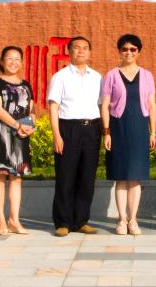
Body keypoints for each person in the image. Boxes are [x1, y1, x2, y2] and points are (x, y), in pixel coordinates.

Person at [100, 34, 156, 236]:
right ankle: (121, 220)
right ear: (119, 51)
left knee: (135, 177)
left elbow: (152, 105)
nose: (129, 52)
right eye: (125, 49)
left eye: (133, 49)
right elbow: (105, 105)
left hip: (140, 128)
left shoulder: (147, 75)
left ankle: (133, 220)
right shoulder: (111, 75)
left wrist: (153, 132)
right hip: (118, 128)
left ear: (139, 52)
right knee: (121, 177)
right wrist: (106, 132)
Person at [47, 36, 103, 237]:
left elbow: (101, 106)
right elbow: (54, 106)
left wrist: (105, 131)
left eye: (85, 48)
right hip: (68, 129)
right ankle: (62, 222)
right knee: (66, 177)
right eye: (77, 48)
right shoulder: (60, 77)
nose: (81, 51)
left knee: (87, 177)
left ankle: (81, 221)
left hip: (92, 128)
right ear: (69, 51)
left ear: (89, 52)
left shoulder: (97, 77)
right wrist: (57, 135)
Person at [0, 46, 35, 236]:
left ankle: (14, 219)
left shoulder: (26, 84)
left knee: (17, 176)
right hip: (2, 134)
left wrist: (29, 126)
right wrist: (17, 125)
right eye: (9, 58)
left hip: (21, 135)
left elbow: (31, 110)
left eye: (17, 59)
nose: (13, 62)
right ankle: (0, 218)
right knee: (0, 174)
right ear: (2, 61)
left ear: (21, 62)